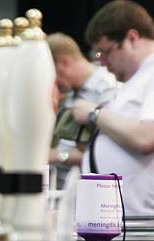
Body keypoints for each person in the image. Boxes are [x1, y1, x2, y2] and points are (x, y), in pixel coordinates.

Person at [73, 0, 154, 216]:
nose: (104, 62)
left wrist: (95, 113)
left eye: (106, 52)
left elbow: (146, 137)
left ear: (132, 38)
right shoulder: (137, 79)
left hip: (142, 222)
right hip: (122, 220)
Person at [46, 32, 119, 186]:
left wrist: (58, 156)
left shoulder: (106, 88)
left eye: (50, 74)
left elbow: (105, 152)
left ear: (63, 64)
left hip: (91, 189)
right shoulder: (71, 91)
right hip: (62, 186)